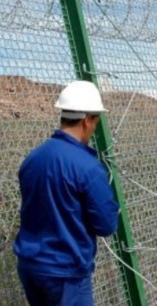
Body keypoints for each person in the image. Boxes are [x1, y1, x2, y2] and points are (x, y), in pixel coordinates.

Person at [13, 80, 119, 306]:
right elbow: (106, 225)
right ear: (87, 120)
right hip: (66, 273)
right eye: (96, 121)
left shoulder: (33, 159)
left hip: (31, 267)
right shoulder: (88, 168)